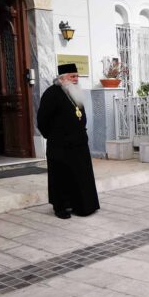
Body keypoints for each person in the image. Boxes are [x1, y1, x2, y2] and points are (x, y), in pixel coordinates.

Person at [37, 63, 99, 219]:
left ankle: (82, 205)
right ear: (62, 78)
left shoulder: (74, 92)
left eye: (77, 76)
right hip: (60, 145)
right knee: (61, 177)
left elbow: (80, 115)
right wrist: (54, 137)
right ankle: (61, 207)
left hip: (79, 143)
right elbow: (42, 120)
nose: (76, 79)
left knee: (81, 176)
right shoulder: (51, 94)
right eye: (73, 76)